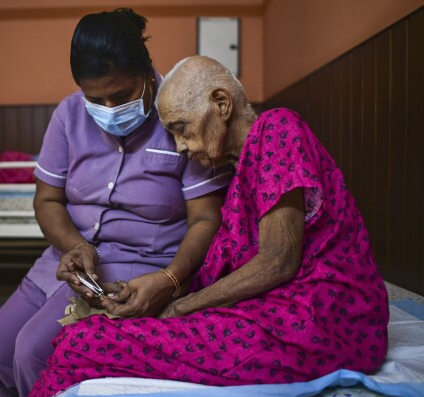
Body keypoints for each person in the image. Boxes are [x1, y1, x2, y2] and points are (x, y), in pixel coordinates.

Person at [28, 56, 389, 397]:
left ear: (221, 103)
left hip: (321, 319)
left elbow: (278, 261)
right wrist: (162, 292)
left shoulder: (278, 127)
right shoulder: (239, 169)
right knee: (88, 336)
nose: (180, 147)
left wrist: (180, 308)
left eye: (181, 129)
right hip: (279, 311)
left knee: (84, 343)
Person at [0, 12, 230, 397]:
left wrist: (172, 279)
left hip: (142, 261)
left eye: (122, 96)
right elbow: (47, 199)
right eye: (95, 98)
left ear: (146, 74)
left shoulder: (180, 113)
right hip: (71, 258)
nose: (108, 109)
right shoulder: (69, 115)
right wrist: (75, 246)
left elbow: (207, 217)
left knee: (32, 354)